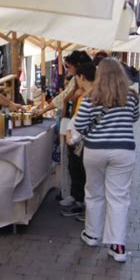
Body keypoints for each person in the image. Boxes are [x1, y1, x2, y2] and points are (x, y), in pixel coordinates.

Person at [74, 58, 139, 263]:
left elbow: (81, 124)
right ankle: (118, 245)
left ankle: (93, 235)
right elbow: (135, 118)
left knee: (94, 193)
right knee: (119, 198)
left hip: (95, 151)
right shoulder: (131, 96)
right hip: (123, 151)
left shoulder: (90, 97)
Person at [34, 51, 92, 206]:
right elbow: (63, 98)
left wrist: (69, 131)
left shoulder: (86, 89)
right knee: (74, 163)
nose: (67, 70)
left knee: (77, 163)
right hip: (77, 128)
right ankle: (77, 196)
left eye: (68, 66)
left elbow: (65, 100)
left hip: (79, 131)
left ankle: (80, 200)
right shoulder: (76, 82)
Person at [61, 61, 97, 221]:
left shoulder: (89, 97)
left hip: (86, 144)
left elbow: (80, 123)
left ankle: (88, 215)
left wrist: (70, 135)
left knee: (86, 178)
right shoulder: (93, 94)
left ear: (82, 77)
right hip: (100, 146)